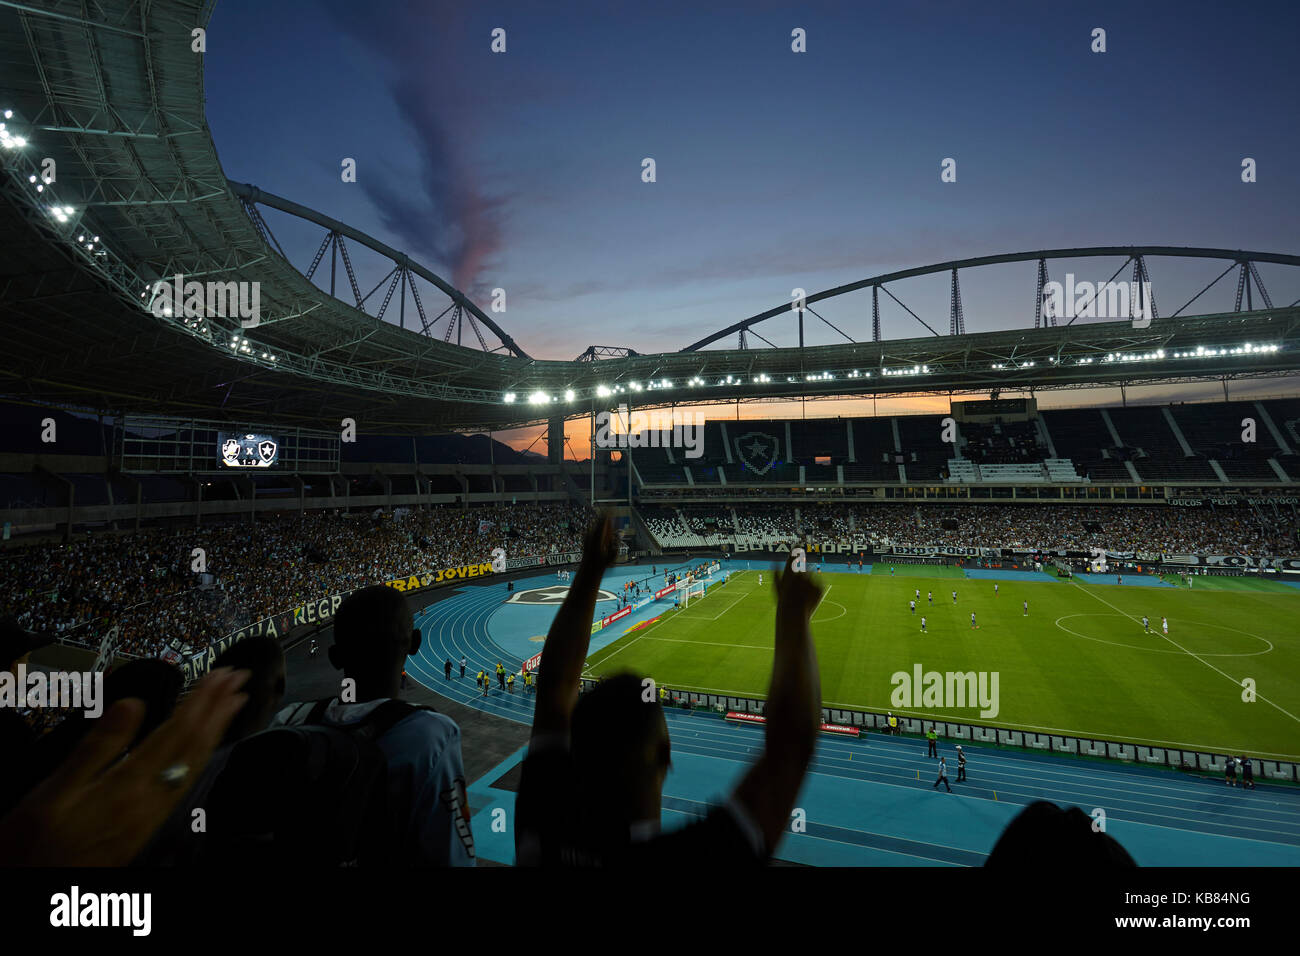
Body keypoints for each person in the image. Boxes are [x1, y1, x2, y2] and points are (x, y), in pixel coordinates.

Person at [515, 516, 823, 867]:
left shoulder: (543, 827)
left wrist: (590, 569)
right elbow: (791, 749)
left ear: (576, 754)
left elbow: (554, 684)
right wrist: (795, 615)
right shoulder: (685, 856)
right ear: (665, 755)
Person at [270, 585, 475, 865]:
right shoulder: (433, 735)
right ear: (415, 643)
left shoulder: (290, 720)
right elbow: (452, 855)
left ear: (335, 657)